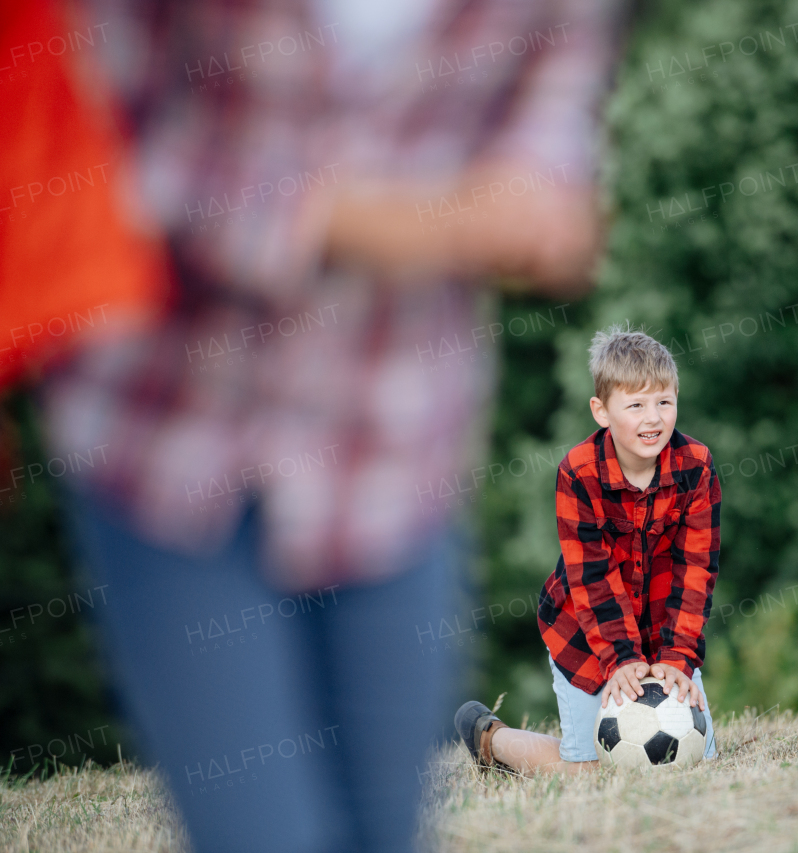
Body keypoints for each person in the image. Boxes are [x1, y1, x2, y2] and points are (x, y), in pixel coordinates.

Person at [38, 1, 625, 851]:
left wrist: (541, 202)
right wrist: (416, 222)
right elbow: (101, 138)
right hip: (171, 443)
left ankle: (490, 738)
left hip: (396, 452)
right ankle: (495, 739)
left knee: (383, 834)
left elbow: (548, 121)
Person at [454, 324, 721, 774]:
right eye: (635, 405)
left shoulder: (696, 466)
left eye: (664, 402)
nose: (652, 418)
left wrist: (677, 659)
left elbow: (696, 569)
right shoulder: (579, 473)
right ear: (602, 411)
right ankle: (492, 741)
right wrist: (621, 661)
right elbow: (591, 578)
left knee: (694, 761)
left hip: (664, 633)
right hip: (584, 634)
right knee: (596, 770)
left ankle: (662, 681)